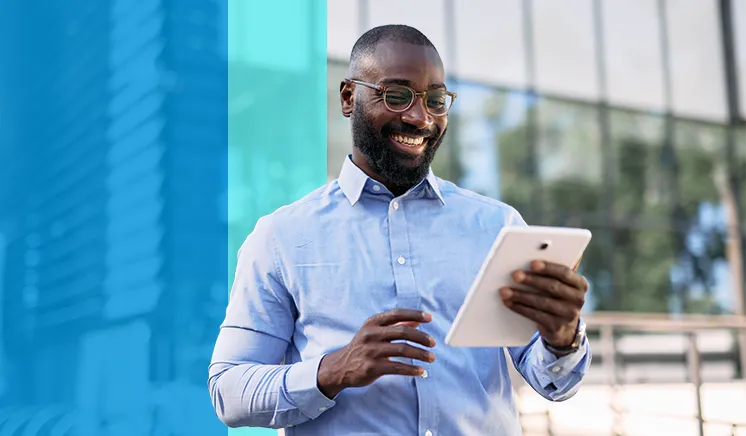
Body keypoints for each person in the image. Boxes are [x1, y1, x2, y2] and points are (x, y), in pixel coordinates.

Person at [208, 24, 592, 435]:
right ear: (348, 97)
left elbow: (554, 383)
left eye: (436, 100)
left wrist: (562, 337)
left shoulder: (497, 226)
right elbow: (228, 392)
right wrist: (332, 370)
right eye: (396, 96)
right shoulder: (281, 237)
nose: (420, 117)